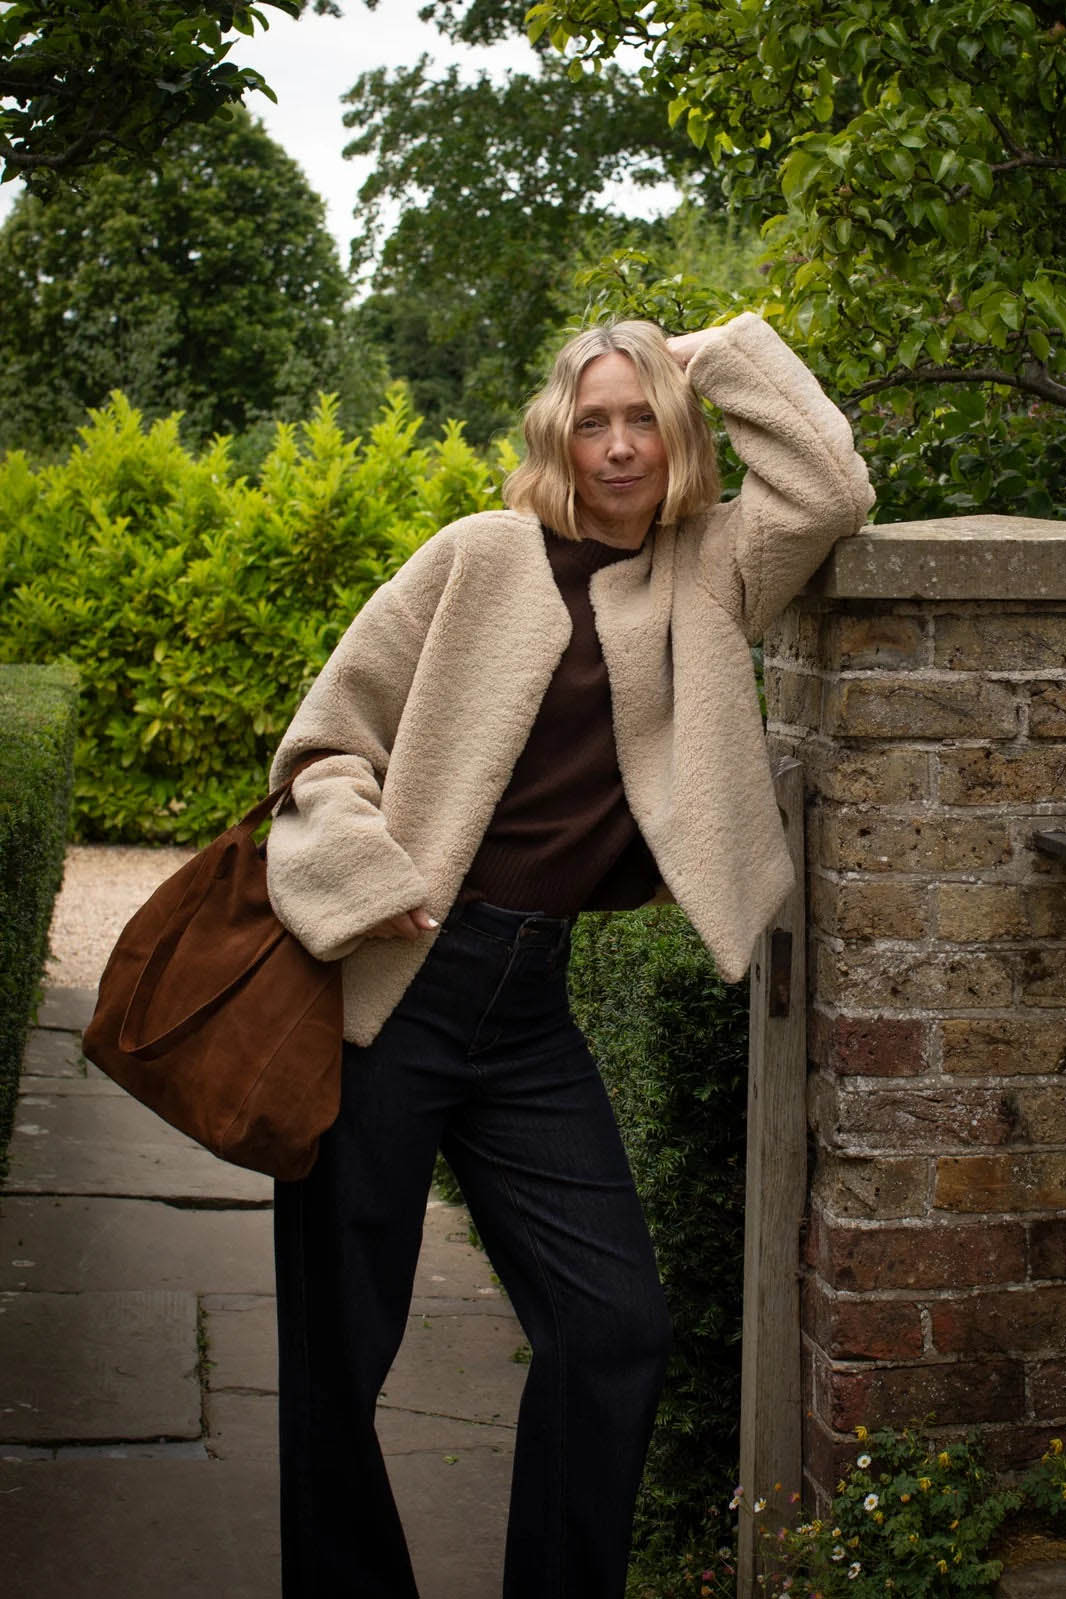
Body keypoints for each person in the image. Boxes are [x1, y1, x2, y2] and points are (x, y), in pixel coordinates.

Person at [265, 311, 874, 1598]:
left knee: (614, 1329)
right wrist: (362, 878)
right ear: (555, 434)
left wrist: (703, 348)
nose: (615, 447)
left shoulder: (711, 570)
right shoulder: (476, 558)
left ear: (676, 431)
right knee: (338, 1359)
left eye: (639, 417)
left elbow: (829, 481)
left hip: (527, 1016)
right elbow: (324, 746)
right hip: (392, 988)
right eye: (590, 420)